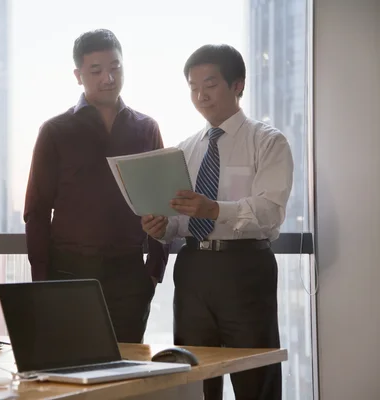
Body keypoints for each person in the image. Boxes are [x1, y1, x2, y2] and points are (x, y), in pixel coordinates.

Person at [142, 44, 293, 400]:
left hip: (246, 267)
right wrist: (164, 229)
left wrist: (214, 209)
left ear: (237, 84)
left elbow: (270, 212)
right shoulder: (185, 149)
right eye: (193, 87)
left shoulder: (267, 141)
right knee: (195, 378)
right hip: (193, 268)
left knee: (256, 377)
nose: (200, 95)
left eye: (209, 84)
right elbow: (181, 220)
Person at [24, 29, 169, 343]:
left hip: (130, 275)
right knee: (75, 369)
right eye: (96, 70)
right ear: (78, 75)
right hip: (69, 274)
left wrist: (153, 271)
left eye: (115, 68)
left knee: (126, 374)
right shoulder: (55, 131)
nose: (108, 78)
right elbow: (36, 211)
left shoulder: (146, 128)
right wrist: (43, 282)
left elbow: (161, 202)